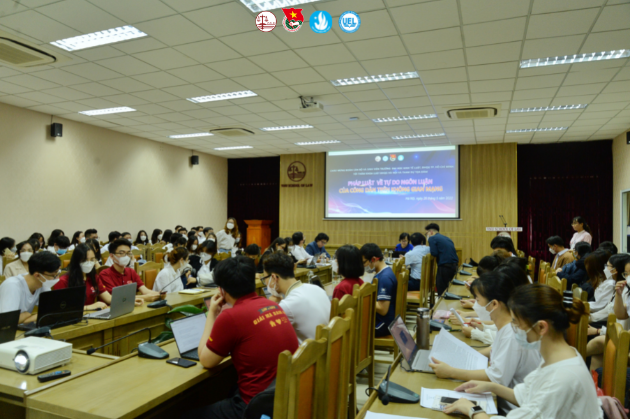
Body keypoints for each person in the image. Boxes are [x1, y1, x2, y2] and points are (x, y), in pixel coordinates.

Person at [443, 285, 602, 419]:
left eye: (516, 322)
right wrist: (491, 387)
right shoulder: (560, 354)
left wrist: (472, 409)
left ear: (541, 327)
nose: (513, 328)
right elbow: (528, 395)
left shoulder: (560, 378)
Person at [186, 256, 299, 419]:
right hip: (284, 398)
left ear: (222, 290)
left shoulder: (230, 317)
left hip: (256, 407)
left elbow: (205, 360)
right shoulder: (272, 305)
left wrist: (212, 314)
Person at [430, 272, 541, 414]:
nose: (475, 305)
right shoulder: (506, 325)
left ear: (494, 304)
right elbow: (494, 348)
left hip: (510, 409)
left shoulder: (511, 334)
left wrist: (451, 372)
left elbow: (495, 378)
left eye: (477, 300)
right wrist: (465, 356)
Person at [262, 252, 330, 342]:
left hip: (308, 350)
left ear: (274, 278)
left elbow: (267, 334)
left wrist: (273, 307)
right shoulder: (317, 288)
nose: (265, 283)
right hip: (327, 346)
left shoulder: (287, 305)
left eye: (265, 278)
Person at [53, 244, 143, 310]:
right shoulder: (63, 281)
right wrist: (89, 307)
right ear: (76, 261)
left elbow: (109, 298)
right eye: (85, 260)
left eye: (92, 259)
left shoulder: (94, 277)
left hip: (91, 317)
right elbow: (61, 309)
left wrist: (129, 301)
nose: (89, 263)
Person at [586, 253, 630, 370]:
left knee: (597, 342)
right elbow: (620, 315)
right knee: (597, 357)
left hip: (622, 338)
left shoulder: (616, 286)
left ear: (616, 270)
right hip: (618, 333)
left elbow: (622, 328)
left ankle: (573, 357)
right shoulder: (624, 289)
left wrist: (599, 331)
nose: (627, 277)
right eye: (626, 274)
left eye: (608, 266)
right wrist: (619, 295)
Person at [0, 252, 61, 324]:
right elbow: (6, 322)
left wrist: (27, 316)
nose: (57, 278)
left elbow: (50, 312)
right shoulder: (12, 285)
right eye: (54, 275)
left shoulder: (43, 284)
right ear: (37, 275)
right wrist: (27, 315)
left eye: (58, 273)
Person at [361, 243, 397, 337]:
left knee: (354, 328)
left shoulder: (385, 277)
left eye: (364, 262)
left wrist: (364, 299)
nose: (363, 266)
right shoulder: (383, 272)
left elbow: (382, 309)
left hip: (384, 324)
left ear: (373, 259)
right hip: (382, 320)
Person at [425, 223, 458, 295]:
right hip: (454, 266)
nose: (427, 235)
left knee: (441, 289)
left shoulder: (432, 238)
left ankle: (442, 302)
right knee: (450, 289)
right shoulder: (447, 238)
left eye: (426, 233)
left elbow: (434, 253)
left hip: (445, 266)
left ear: (431, 232)